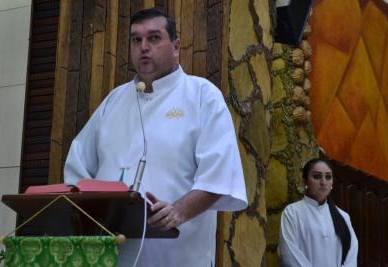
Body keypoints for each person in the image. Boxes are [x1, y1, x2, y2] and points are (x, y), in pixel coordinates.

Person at [63, 8, 247, 267]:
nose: (143, 47)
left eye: (154, 38)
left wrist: (177, 211)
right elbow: (78, 166)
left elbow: (218, 176)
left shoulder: (203, 96)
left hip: (177, 253)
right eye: (136, 40)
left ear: (176, 46)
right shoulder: (114, 101)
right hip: (110, 252)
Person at [278, 158, 358, 267]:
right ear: (305, 182)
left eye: (328, 177)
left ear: (332, 183)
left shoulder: (343, 216)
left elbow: (351, 254)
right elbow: (289, 255)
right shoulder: (292, 213)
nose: (323, 182)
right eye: (317, 176)